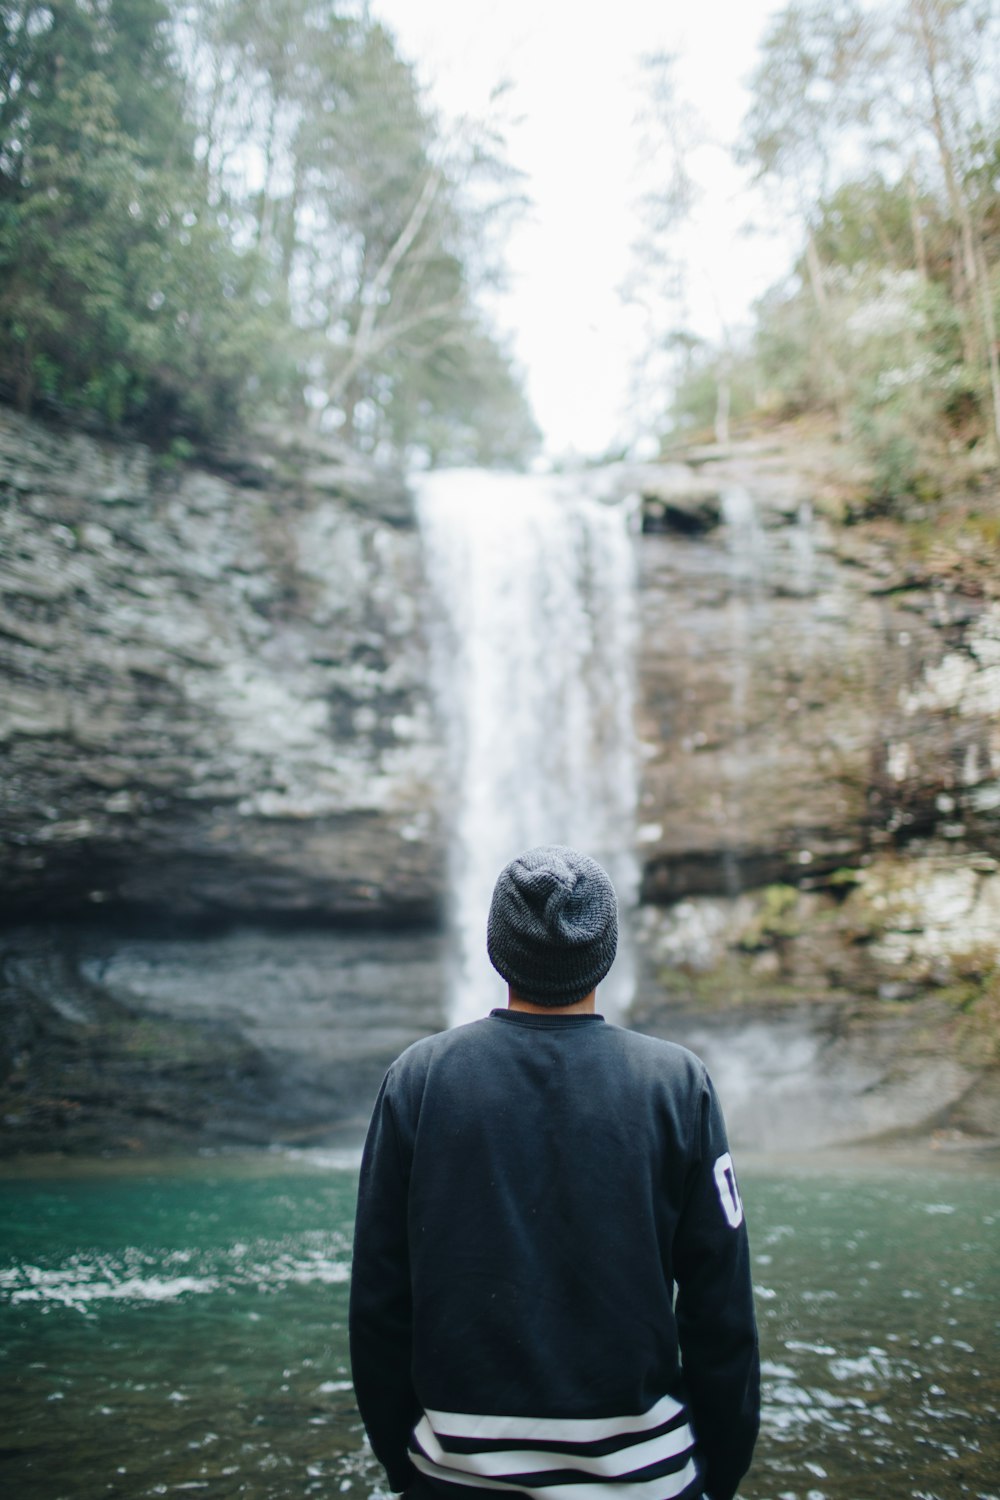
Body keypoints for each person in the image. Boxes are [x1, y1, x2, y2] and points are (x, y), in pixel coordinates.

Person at [349, 845, 760, 1500]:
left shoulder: (418, 1079)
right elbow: (721, 1309)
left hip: (455, 1478)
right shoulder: (677, 1083)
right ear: (605, 950)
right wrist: (720, 1473)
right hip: (647, 1481)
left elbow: (378, 1302)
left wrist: (409, 1469)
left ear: (497, 948)